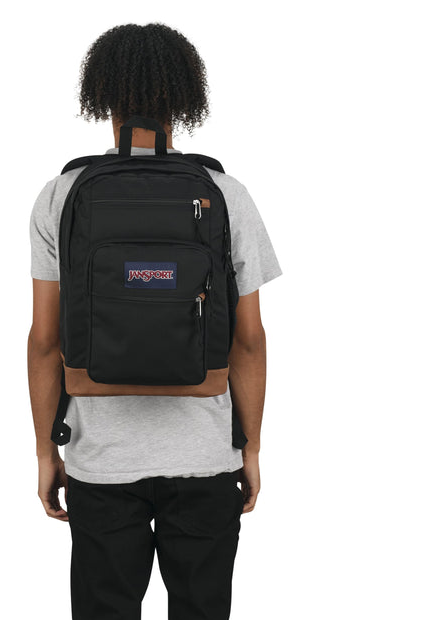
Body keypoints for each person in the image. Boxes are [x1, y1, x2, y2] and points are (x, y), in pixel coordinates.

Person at [28, 22, 282, 620]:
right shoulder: (225, 193)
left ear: (102, 95)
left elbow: (45, 340)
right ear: (185, 97)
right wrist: (250, 447)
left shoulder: (60, 194)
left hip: (100, 457)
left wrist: (45, 453)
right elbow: (248, 339)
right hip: (205, 454)